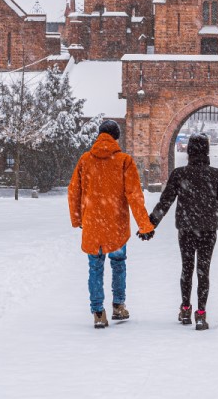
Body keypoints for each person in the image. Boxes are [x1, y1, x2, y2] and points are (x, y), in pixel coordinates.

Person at [68, 119, 155, 329]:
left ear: (99, 136)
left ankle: (98, 312)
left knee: (95, 267)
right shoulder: (124, 161)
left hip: (93, 225)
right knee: (118, 264)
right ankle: (118, 305)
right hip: (116, 225)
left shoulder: (85, 160)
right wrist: (145, 225)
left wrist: (78, 219)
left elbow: (73, 192)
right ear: (116, 137)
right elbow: (134, 195)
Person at [148, 133, 218, 331]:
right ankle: (201, 314)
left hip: (186, 228)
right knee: (204, 271)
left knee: (187, 269)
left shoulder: (180, 174)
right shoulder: (216, 175)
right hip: (208, 228)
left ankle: (185, 308)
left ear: (189, 151)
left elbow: (166, 201)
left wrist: (151, 223)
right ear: (207, 151)